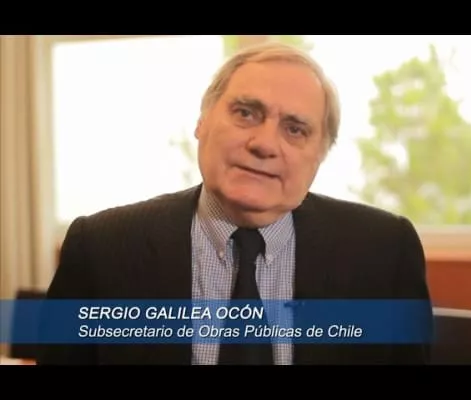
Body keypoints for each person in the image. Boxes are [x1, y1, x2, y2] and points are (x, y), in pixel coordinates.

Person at [37, 41, 433, 365]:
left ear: (320, 155)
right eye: (246, 113)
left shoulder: (384, 251)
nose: (264, 144)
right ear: (202, 122)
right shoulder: (101, 248)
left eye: (295, 129)